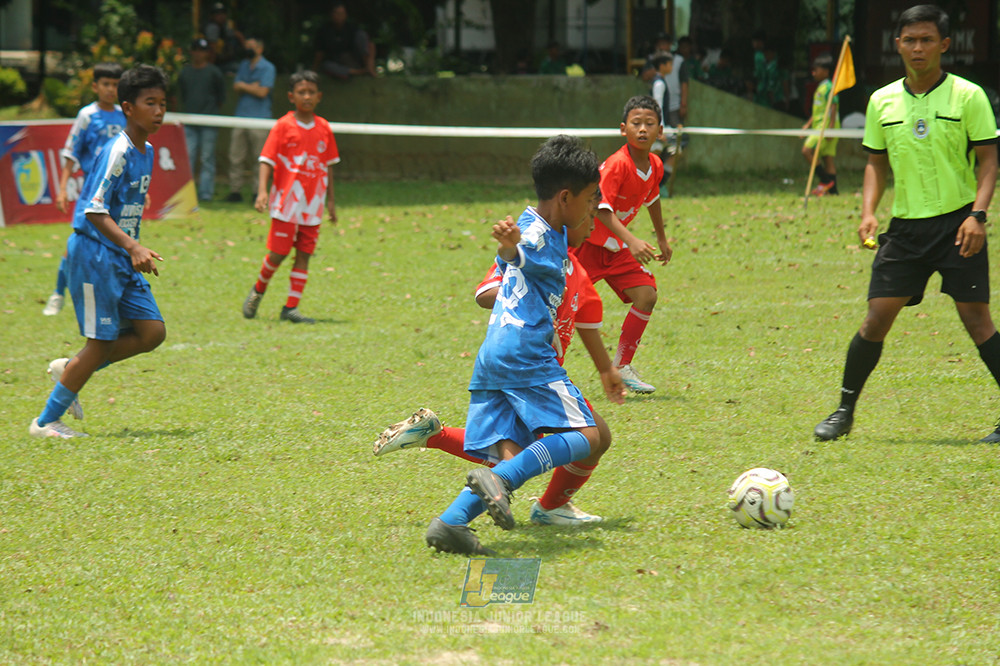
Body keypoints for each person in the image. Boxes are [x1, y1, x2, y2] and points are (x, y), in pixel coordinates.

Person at [813, 4, 999, 443]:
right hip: (906, 229)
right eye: (910, 40)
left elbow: (990, 161)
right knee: (876, 318)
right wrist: (867, 211)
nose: (918, 48)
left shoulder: (969, 96)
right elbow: (876, 164)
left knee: (977, 319)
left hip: (959, 224)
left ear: (944, 45)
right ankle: (843, 411)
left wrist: (978, 214)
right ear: (898, 44)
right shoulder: (882, 100)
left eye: (927, 40)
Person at [375, 214, 626, 527]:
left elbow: (588, 324)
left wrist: (606, 369)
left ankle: (447, 498)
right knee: (590, 437)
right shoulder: (532, 253)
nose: (594, 222)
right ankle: (549, 508)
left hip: (538, 370)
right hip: (524, 368)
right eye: (588, 211)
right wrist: (527, 292)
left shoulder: (575, 272)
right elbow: (484, 293)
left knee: (514, 456)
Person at [422, 135, 604, 555]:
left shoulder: (545, 229)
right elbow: (522, 251)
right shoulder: (537, 234)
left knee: (514, 451)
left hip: (494, 353)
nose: (593, 206)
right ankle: (502, 482)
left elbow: (518, 254)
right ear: (564, 197)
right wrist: (510, 247)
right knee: (588, 435)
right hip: (525, 353)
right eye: (591, 198)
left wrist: (511, 248)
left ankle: (450, 523)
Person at [30, 64, 169, 439]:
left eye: (162, 103)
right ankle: (45, 422)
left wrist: (132, 245)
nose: (158, 111)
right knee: (102, 340)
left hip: (121, 255)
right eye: (150, 103)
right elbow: (93, 209)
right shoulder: (118, 149)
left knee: (152, 332)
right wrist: (132, 245)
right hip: (95, 254)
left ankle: (72, 368)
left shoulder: (149, 150)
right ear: (128, 107)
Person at [571, 96, 672, 394]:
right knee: (560, 307)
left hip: (615, 249)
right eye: (636, 123)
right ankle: (543, 370)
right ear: (622, 129)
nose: (642, 129)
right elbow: (601, 210)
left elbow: (652, 198)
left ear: (660, 131)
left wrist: (662, 238)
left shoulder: (654, 164)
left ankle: (622, 365)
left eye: (649, 124)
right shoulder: (617, 165)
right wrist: (632, 240)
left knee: (646, 294)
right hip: (587, 245)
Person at [242, 70, 339, 325]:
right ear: (291, 96)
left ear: (319, 96)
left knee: (304, 254)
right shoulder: (283, 126)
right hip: (286, 204)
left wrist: (330, 201)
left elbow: (328, 165)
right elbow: (267, 160)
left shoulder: (324, 128)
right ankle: (259, 290)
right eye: (301, 92)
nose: (306, 96)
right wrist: (262, 191)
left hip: (313, 205)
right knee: (278, 254)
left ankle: (291, 308)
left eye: (311, 92)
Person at [47, 62, 126, 317]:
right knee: (75, 245)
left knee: (117, 245)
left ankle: (113, 297)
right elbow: (71, 153)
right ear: (95, 86)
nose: (111, 89)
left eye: (115, 85)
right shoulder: (87, 115)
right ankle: (58, 293)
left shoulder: (124, 114)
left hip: (117, 194)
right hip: (91, 193)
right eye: (106, 84)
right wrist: (62, 189)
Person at [226, 37, 274, 203]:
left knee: (260, 158)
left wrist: (244, 86)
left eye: (252, 47)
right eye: (246, 46)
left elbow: (263, 92)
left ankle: (257, 192)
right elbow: (235, 86)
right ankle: (235, 191)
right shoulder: (244, 65)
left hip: (260, 120)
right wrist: (253, 86)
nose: (248, 49)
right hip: (240, 118)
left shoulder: (268, 68)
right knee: (235, 157)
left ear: (260, 49)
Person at [177, 38, 226, 202]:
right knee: (188, 157)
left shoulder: (214, 72)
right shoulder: (185, 72)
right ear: (191, 52)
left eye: (202, 50)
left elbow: (221, 97)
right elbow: (183, 95)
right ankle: (187, 193)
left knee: (207, 158)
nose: (199, 53)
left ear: (207, 53)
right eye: (196, 49)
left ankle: (206, 193)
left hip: (209, 122)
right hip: (190, 122)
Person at [801, 53, 840, 196]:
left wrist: (830, 128)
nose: (813, 73)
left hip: (825, 128)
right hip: (818, 127)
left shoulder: (829, 87)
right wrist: (807, 124)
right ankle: (834, 192)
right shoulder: (820, 88)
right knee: (827, 158)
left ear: (825, 71)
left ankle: (824, 181)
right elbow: (818, 110)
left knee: (806, 151)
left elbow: (833, 106)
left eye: (816, 70)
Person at [312, 2, 376, 80]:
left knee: (361, 35)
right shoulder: (324, 31)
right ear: (331, 15)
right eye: (337, 13)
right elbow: (319, 54)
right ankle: (357, 72)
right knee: (326, 66)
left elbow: (370, 45)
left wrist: (369, 65)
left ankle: (367, 70)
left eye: (342, 13)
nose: (340, 16)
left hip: (354, 61)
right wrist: (314, 71)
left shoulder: (353, 29)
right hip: (337, 64)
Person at [202, 1, 245, 74]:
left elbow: (238, 35)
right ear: (212, 16)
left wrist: (246, 47)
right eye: (217, 14)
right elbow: (212, 50)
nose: (221, 16)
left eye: (223, 13)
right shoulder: (212, 28)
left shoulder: (224, 27)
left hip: (226, 62)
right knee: (240, 69)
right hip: (215, 64)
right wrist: (209, 70)